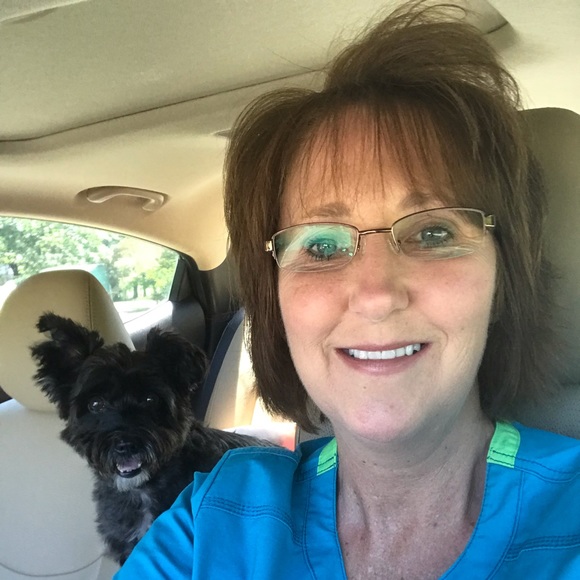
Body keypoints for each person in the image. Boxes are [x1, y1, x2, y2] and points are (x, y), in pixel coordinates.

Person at [116, 2, 580, 578]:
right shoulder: (211, 521)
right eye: (321, 245)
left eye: (433, 232)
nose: (376, 294)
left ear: (502, 282)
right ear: (276, 303)